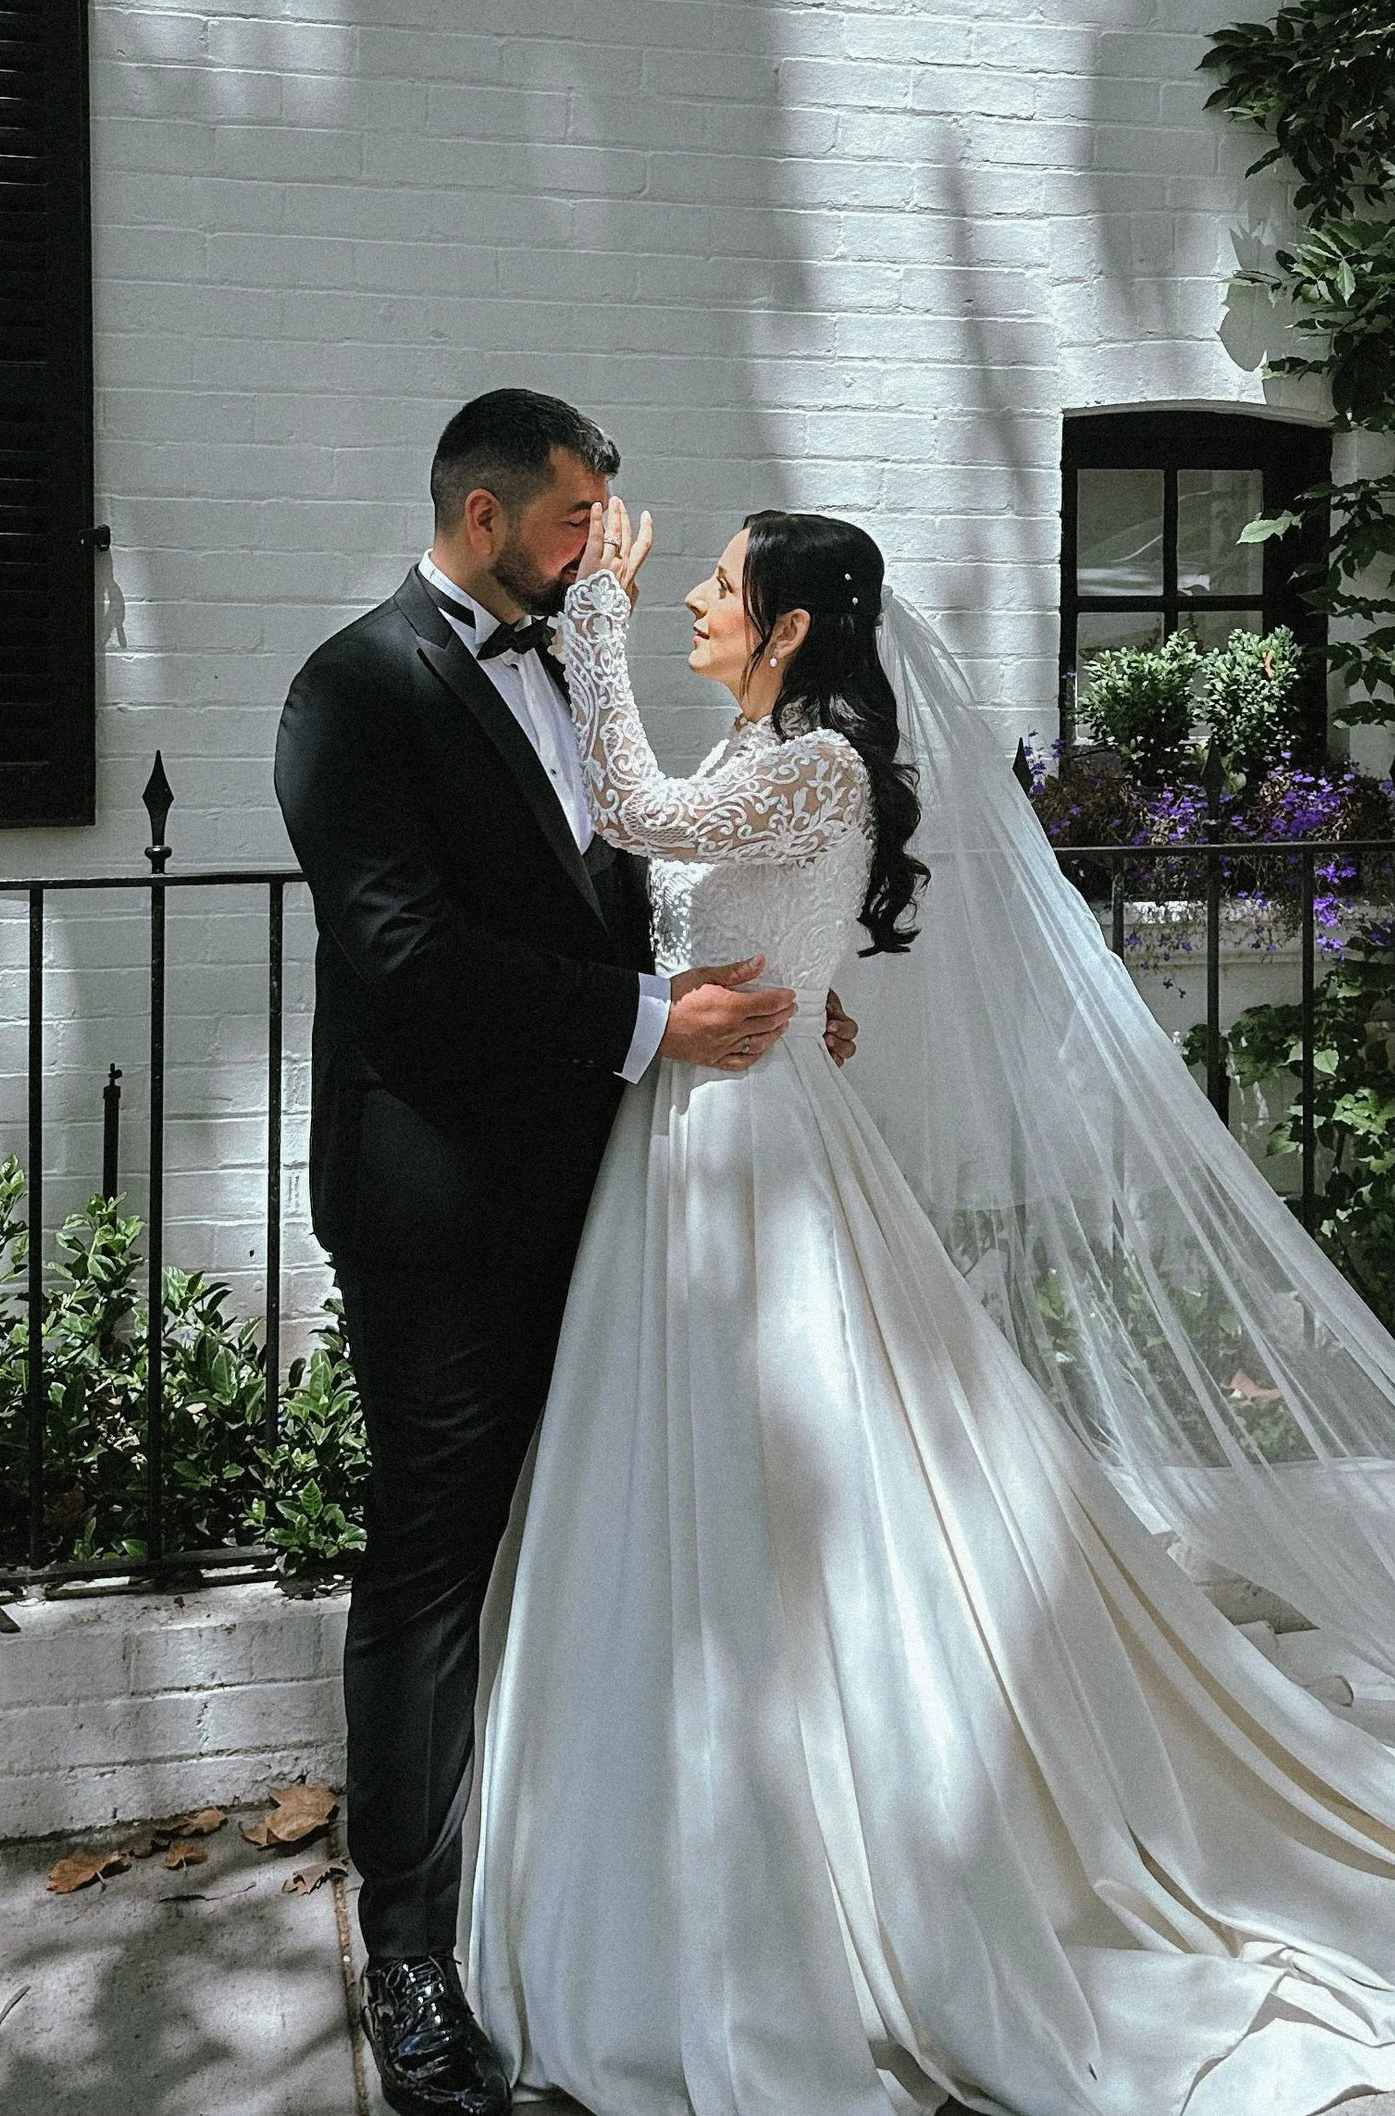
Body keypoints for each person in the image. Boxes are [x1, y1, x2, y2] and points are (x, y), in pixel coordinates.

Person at [465, 498, 1395, 2116]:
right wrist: (805, 992)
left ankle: (844, 1849)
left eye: (717, 582)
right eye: (682, 578)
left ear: (791, 627)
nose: (688, 592)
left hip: (752, 1154)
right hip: (712, 1141)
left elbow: (631, 812)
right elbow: (748, 908)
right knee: (714, 1481)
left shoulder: (816, 760)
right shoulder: (781, 758)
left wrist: (596, 616)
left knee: (803, 1479)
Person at [277, 391, 836, 2116]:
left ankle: (583, 1898)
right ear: (480, 510)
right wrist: (650, 1018)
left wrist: (769, 991)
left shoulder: (569, 675)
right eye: (579, 514)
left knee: (604, 1539)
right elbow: (403, 949)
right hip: (440, 1205)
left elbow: (649, 875)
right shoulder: (349, 691)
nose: (606, 538)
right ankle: (415, 1952)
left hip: (614, 1194)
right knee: (434, 1564)